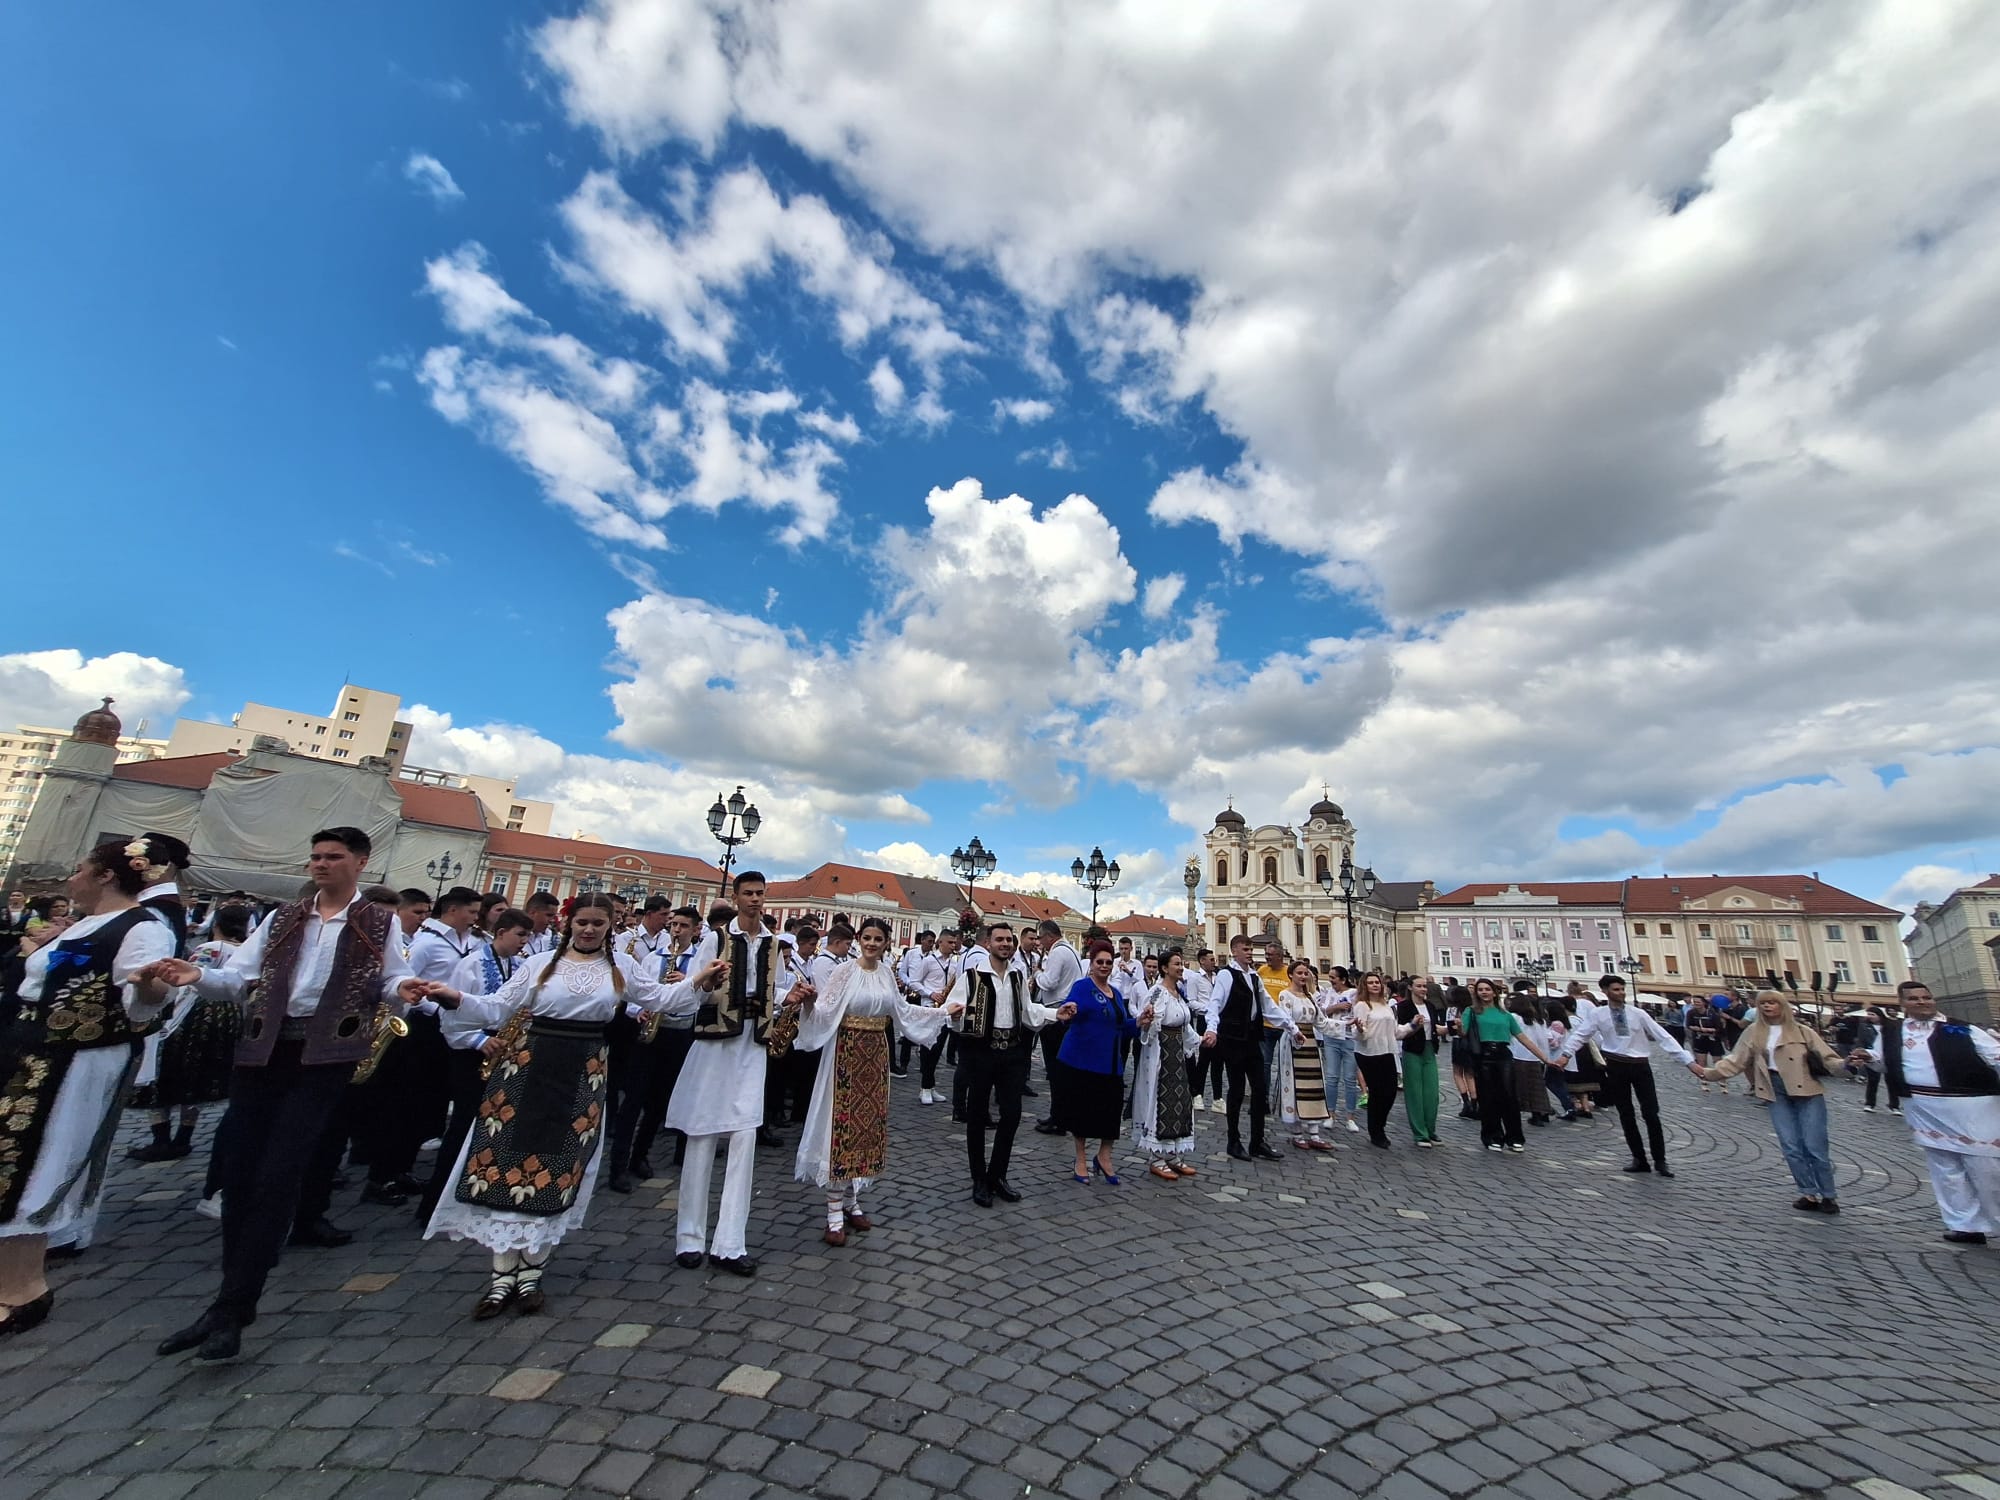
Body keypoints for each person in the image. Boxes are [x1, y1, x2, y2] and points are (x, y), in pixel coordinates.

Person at [137, 827, 439, 1361]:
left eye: (332, 857)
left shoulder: (377, 921)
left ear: (360, 863)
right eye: (315, 856)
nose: (320, 864)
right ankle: (230, 1302)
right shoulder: (283, 918)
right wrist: (196, 974)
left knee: (279, 1173)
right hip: (263, 1049)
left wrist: (403, 991)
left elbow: (392, 978)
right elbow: (238, 980)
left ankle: (235, 1304)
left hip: (322, 1055)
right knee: (241, 1172)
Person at [422, 894, 693, 1316]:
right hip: (528, 1064)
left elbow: (660, 999)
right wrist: (453, 997)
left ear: (608, 927)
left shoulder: (620, 967)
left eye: (598, 924)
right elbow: (497, 1006)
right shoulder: (539, 963)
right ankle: (501, 1275)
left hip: (584, 1068)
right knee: (506, 1157)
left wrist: (701, 980)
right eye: (582, 922)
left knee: (560, 1164)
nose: (589, 930)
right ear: (570, 923)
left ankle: (532, 1272)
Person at [0, 842, 176, 1336]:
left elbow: (146, 1001)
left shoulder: (142, 927)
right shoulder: (85, 922)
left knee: (42, 1157)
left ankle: (22, 1287)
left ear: (104, 876)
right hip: (34, 1051)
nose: (70, 879)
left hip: (74, 1060)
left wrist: (147, 985)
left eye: (79, 870)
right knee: (16, 1153)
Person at [658, 872, 811, 1276]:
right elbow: (698, 988)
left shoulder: (776, 943)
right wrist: (708, 982)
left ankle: (730, 1242)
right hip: (715, 1044)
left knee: (744, 1138)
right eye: (748, 894)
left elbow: (769, 988)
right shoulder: (717, 938)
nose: (755, 900)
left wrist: (788, 997)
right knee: (703, 1137)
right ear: (736, 897)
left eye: (761, 894)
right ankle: (689, 1237)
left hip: (751, 1045)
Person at [778, 916, 952, 1244]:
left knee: (865, 1127)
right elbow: (825, 1011)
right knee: (840, 1125)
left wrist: (942, 1013)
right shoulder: (845, 971)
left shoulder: (886, 973)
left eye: (878, 939)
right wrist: (810, 1001)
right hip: (846, 1052)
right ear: (860, 939)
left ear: (887, 943)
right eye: (867, 938)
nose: (872, 944)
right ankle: (833, 1212)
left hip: (875, 1055)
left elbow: (902, 1012)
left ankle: (851, 1201)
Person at [1851, 980, 2000, 1244]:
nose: (1922, 1002)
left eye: (1926, 997)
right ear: (1902, 1003)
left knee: (1986, 1167)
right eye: (1914, 999)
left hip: (1970, 1106)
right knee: (1945, 1168)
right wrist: (1868, 1057)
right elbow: (1883, 1062)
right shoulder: (1893, 1031)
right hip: (1923, 1106)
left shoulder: (1957, 1028)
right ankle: (1965, 1225)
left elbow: (1995, 1055)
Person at [415, 909, 535, 1220]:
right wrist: (478, 1040)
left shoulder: (518, 965)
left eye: (527, 936)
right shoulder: (470, 965)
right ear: (501, 932)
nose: (524, 942)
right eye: (520, 935)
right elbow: (450, 1015)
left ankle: (476, 1187)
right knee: (462, 1126)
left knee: (493, 1125)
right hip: (470, 1052)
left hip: (502, 1051)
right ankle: (434, 1203)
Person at [1697, 990, 1846, 1213]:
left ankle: (1828, 1195)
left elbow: (1829, 1058)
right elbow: (1736, 1060)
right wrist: (1708, 1073)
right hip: (1775, 1089)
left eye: (1772, 1002)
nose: (1767, 1007)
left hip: (1806, 1089)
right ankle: (1808, 1192)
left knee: (1815, 1146)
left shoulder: (1802, 1030)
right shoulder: (1754, 1031)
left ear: (1782, 1005)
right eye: (1763, 1003)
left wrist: (1848, 1066)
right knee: (1790, 1145)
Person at [131, 901, 251, 1165]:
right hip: (228, 1015)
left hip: (196, 1013)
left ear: (216, 924)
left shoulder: (209, 948)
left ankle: (161, 1137)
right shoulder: (245, 949)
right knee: (198, 1075)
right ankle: (184, 1135)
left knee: (167, 1071)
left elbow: (189, 984)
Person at [947, 923, 1054, 1206]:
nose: (1005, 944)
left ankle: (998, 1174)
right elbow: (951, 1012)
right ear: (989, 943)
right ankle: (979, 1178)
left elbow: (1029, 1013)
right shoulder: (972, 977)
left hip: (1012, 1053)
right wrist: (955, 1016)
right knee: (978, 1116)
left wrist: (1057, 1013)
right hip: (981, 1053)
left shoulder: (1018, 977)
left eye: (1009, 939)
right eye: (1000, 939)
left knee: (1012, 1114)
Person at [1553, 975, 1696, 1177]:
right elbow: (1580, 1035)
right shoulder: (1598, 1014)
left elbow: (1663, 1036)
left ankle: (1660, 1160)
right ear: (1605, 991)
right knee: (1626, 1113)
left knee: (1651, 1113)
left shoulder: (1638, 1013)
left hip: (1640, 1066)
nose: (1620, 993)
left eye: (1622, 989)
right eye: (1616, 989)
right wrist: (1566, 1055)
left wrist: (1688, 1061)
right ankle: (1639, 1158)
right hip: (1616, 1065)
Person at [1207, 934, 1301, 1162]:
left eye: (1250, 949)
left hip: (1251, 1038)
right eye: (1245, 949)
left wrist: (1291, 1027)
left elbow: (1268, 1006)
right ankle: (1233, 1140)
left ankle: (1257, 1141)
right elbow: (1215, 1003)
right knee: (1237, 1090)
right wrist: (1211, 1028)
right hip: (1233, 1039)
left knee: (1260, 1090)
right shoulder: (1226, 976)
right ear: (1234, 951)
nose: (1250, 952)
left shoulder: (1255, 977)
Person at [1055, 941, 1137, 1182]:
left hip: (1111, 1063)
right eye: (1099, 962)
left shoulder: (1117, 993)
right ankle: (1080, 1159)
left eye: (1108, 962)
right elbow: (1067, 1012)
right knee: (1082, 1113)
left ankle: (1104, 1157)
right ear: (1091, 965)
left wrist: (1140, 1022)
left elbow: (1121, 1026)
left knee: (1110, 1113)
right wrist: (1067, 1013)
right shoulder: (1082, 988)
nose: (1104, 966)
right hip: (1083, 1061)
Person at [1459, 979, 1552, 1152]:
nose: (1484, 992)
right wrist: (1457, 1027)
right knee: (1487, 1098)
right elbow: (1464, 1032)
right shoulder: (1471, 1011)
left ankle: (1514, 1137)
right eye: (1480, 990)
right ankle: (1492, 1136)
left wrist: (1545, 1059)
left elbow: (1522, 1038)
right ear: (1476, 993)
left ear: (1494, 992)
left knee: (1509, 1097)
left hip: (1503, 1055)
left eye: (1487, 989)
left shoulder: (1505, 1015)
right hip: (1483, 1055)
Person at [1132, 949, 1202, 1178]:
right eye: (1176, 964)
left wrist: (1200, 1041)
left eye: (1182, 964)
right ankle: (1156, 1156)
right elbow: (1149, 1024)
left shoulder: (1178, 993)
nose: (1181, 968)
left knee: (1180, 1101)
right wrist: (1149, 1021)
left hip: (1177, 1057)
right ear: (1164, 968)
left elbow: (1185, 1025)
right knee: (1160, 1100)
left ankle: (1173, 1153)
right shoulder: (1157, 993)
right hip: (1162, 1056)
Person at [1032, 920, 1082, 1135]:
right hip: (1065, 1011)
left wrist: (1037, 974)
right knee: (1060, 1069)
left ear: (1049, 936)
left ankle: (1059, 1118)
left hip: (1056, 1015)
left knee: (1055, 1069)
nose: (1039, 942)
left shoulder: (1057, 953)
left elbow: (1049, 982)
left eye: (1040, 938)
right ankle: (1060, 1114)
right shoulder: (1071, 950)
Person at [1275, 961, 1330, 1150]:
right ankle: (1297, 1133)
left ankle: (1314, 1132)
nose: (1303, 976)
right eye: (1299, 973)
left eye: (1306, 973)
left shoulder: (1311, 997)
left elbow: (1322, 1022)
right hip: (1294, 1043)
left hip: (1311, 1043)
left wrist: (1347, 1025)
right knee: (1295, 1084)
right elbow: (1285, 1018)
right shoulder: (1285, 995)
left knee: (1314, 1084)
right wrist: (1295, 1033)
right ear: (1291, 975)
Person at [1350, 973, 1409, 1148]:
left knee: (1390, 1091)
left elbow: (1395, 1031)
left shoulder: (1386, 1005)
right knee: (1377, 1092)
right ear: (1364, 986)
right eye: (1370, 983)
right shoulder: (1362, 1005)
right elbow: (1359, 1033)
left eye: (1377, 982)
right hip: (1368, 1053)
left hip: (1387, 1050)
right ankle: (1376, 1131)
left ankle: (1379, 1125)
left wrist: (1412, 1025)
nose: (1375, 985)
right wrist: (1360, 1029)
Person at [1395, 979, 1445, 1147]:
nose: (1423, 989)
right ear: (1411, 987)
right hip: (1413, 1049)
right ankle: (1420, 1133)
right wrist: (1414, 1025)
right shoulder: (1404, 1007)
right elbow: (1401, 1031)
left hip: (1430, 1048)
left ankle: (1431, 1130)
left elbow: (1435, 1028)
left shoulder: (1430, 1006)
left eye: (1425, 986)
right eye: (1419, 986)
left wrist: (1448, 1028)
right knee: (1415, 1093)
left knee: (1432, 1093)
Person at [1317, 967, 1360, 1134]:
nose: (1331, 980)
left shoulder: (1354, 993)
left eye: (1333, 977)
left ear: (1343, 979)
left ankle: (1350, 1117)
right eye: (1330, 977)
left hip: (1349, 1038)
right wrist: (1337, 1007)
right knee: (1332, 1077)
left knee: (1350, 1079)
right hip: (1331, 1036)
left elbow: (1358, 1012)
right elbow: (1322, 1012)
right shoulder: (1328, 993)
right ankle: (1330, 1114)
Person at [1508, 990, 1555, 1126]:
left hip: (1519, 1055)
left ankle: (1527, 1111)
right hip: (1538, 1057)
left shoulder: (1515, 1017)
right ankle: (1541, 1112)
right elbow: (1544, 1038)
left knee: (1521, 1087)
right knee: (1537, 1087)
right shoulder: (1538, 1020)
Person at [1686, 998, 1726, 1093]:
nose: (1696, 1004)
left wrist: (1708, 1030)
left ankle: (1723, 1084)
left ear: (1704, 1003)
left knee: (1718, 1062)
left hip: (1713, 1039)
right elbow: (1689, 1025)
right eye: (1695, 1002)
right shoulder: (1691, 1013)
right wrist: (1695, 1028)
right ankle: (1704, 1082)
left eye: (1698, 1002)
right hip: (1699, 1039)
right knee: (1701, 1063)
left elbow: (1719, 1028)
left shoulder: (1712, 1014)